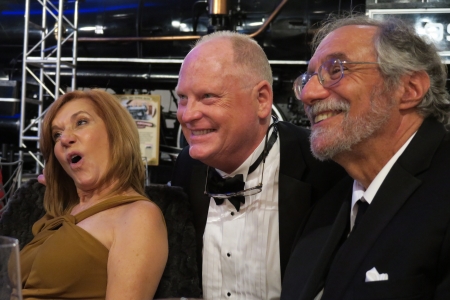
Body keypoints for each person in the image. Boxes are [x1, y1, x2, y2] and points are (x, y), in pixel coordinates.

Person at [281, 15, 450, 300]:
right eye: (307, 79)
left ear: (409, 89)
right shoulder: (328, 204)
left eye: (336, 70)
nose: (308, 94)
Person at [170, 31, 346, 299]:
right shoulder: (187, 167)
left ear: (262, 99)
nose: (188, 114)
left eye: (207, 96)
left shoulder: (324, 165)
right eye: (182, 98)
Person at [20, 89, 168, 299]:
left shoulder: (138, 216)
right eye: (56, 134)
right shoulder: (61, 213)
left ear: (115, 132)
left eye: (81, 122)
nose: (65, 139)